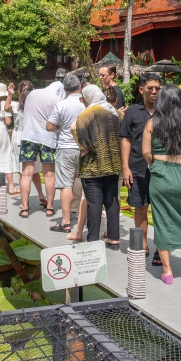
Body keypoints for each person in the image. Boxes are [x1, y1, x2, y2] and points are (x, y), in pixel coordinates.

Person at [142, 84, 181, 284]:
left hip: (161, 172)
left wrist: (157, 167)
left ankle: (167, 271)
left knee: (161, 220)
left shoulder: (152, 124)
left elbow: (146, 153)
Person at [71, 85, 122, 247]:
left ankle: (93, 238)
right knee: (112, 200)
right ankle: (114, 236)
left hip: (93, 165)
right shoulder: (114, 113)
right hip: (113, 164)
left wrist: (83, 146)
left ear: (88, 97)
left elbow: (74, 128)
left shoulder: (87, 114)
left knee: (94, 203)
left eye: (83, 98)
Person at [120, 72, 161, 264]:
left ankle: (161, 248)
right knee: (140, 208)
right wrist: (125, 167)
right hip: (137, 167)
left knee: (161, 210)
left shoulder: (165, 112)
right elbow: (126, 139)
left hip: (162, 169)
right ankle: (143, 243)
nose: (154, 92)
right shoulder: (133, 112)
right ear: (141, 89)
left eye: (157, 88)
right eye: (150, 88)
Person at [17, 80, 65, 217]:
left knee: (26, 174)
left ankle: (25, 208)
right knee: (49, 175)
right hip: (47, 139)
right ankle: (50, 207)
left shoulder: (33, 93)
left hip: (28, 137)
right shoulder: (57, 100)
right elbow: (58, 122)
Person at [46, 74, 85, 234]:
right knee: (87, 185)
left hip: (65, 147)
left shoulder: (61, 105)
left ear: (64, 89)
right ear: (80, 87)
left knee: (66, 185)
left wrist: (59, 128)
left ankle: (66, 222)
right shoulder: (86, 104)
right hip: (84, 147)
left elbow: (49, 126)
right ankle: (87, 220)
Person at [6, 81, 46, 203]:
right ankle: (41, 195)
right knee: (34, 170)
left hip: (20, 138)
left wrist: (9, 94)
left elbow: (6, 107)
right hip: (35, 137)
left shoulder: (17, 106)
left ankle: (25, 201)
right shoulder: (37, 105)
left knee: (23, 171)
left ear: (19, 92)